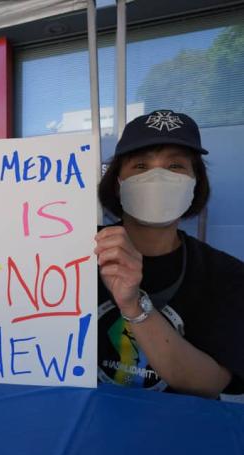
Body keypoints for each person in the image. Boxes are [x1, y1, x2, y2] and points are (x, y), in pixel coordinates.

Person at [94, 109, 244, 399]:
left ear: (195, 183)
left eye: (175, 166)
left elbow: (210, 383)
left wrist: (134, 306)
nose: (157, 177)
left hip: (176, 435)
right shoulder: (70, 250)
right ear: (117, 182)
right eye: (140, 166)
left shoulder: (226, 276)